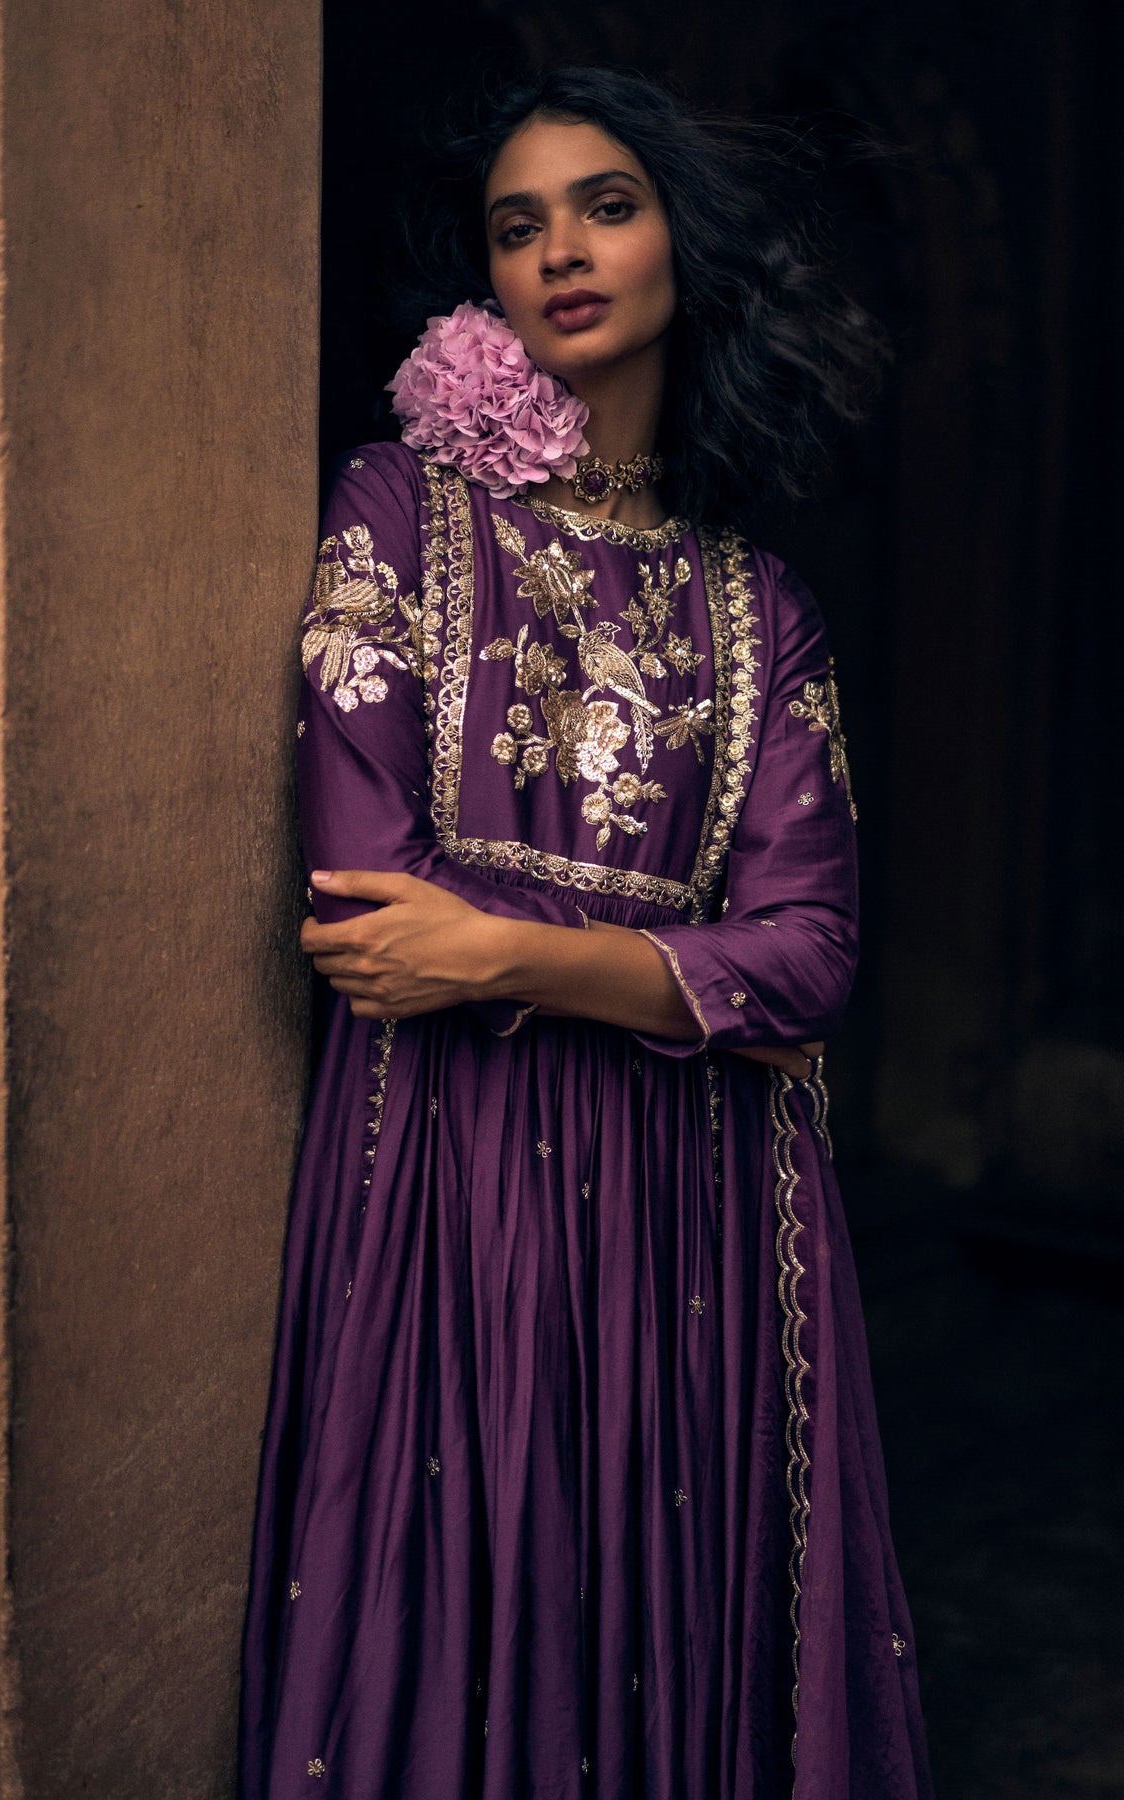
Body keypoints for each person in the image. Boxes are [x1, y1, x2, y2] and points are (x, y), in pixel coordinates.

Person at [238, 65, 933, 1800]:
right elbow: (368, 898)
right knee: (466, 1628)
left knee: (666, 1629)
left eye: (607, 205)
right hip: (452, 1185)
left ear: (683, 248)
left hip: (702, 1215)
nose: (562, 249)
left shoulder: (761, 607)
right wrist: (685, 973)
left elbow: (820, 960)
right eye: (518, 223)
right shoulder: (398, 510)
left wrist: (509, 954)